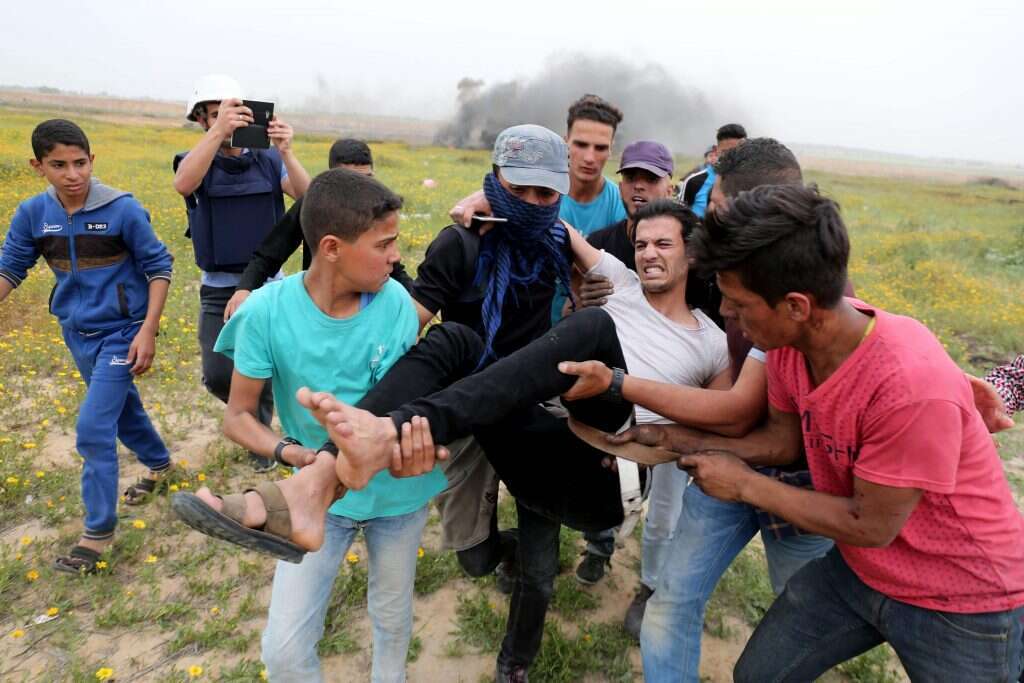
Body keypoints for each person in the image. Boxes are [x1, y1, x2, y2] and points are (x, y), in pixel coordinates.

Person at [174, 148, 731, 682]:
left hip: (608, 464)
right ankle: (330, 470)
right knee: (460, 341)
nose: (650, 252)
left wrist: (621, 388)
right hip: (543, 423)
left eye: (666, 244)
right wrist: (483, 200)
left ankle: (334, 471)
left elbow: (723, 420)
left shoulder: (710, 342)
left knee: (591, 329)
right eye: (643, 243)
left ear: (694, 255)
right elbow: (546, 220)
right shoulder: (623, 282)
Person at [610, 183, 1024, 681]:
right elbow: (782, 446)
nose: (726, 314)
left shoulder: (909, 384)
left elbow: (871, 524)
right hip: (862, 571)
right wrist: (675, 438)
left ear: (796, 306)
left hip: (964, 598)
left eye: (738, 304)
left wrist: (742, 483)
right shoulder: (790, 346)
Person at [561, 138, 835, 675]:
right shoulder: (722, 268)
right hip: (726, 466)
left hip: (802, 485)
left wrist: (623, 388)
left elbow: (749, 417)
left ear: (761, 211)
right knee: (671, 603)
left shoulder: (801, 288)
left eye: (717, 209)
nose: (708, 224)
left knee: (801, 621)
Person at [177, 168, 444, 682]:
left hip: (397, 498)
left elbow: (412, 393)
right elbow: (238, 416)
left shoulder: (394, 305)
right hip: (313, 499)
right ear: (331, 247)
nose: (396, 256)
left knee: (391, 615)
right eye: (384, 243)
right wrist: (289, 453)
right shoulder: (266, 313)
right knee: (283, 649)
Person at [0, 119, 174, 573]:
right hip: (77, 334)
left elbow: (159, 267)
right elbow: (10, 269)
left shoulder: (122, 209)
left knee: (94, 427)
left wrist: (147, 331)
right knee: (122, 409)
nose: (73, 174)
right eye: (59, 165)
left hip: (124, 331)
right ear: (38, 166)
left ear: (92, 160)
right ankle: (159, 464)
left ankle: (97, 534)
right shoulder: (33, 214)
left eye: (80, 163)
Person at [172, 74, 311, 471]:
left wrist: (286, 151)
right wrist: (218, 134)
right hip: (219, 288)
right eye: (217, 115)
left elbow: (307, 199)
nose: (230, 122)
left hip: (269, 286)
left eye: (236, 114)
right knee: (218, 376)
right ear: (201, 120)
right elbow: (184, 184)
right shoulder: (194, 158)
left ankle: (261, 434)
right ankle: (257, 414)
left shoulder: (267, 160)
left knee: (282, 366)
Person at [224, 138, 413, 320]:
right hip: (318, 310)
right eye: (351, 180)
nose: (361, 188)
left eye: (366, 179)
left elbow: (392, 265)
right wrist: (244, 289)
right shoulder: (313, 205)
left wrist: (418, 303)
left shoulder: (379, 208)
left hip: (367, 312)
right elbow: (269, 254)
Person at [687, 123, 747, 218]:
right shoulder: (694, 182)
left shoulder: (754, 181)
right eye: (726, 152)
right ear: (716, 150)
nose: (732, 157)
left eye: (737, 152)